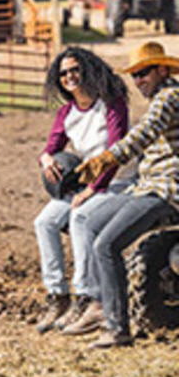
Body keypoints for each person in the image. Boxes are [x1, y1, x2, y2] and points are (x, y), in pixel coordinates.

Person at [76, 41, 179, 348]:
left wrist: (108, 158)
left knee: (107, 243)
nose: (138, 81)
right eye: (134, 75)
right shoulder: (162, 98)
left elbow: (145, 132)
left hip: (167, 188)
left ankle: (118, 328)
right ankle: (101, 306)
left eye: (144, 73)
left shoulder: (170, 96)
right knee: (91, 222)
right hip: (147, 185)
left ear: (162, 69)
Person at [33, 47, 129, 333]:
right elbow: (50, 148)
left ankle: (86, 298)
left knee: (79, 216)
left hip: (119, 180)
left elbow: (117, 153)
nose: (69, 76)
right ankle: (58, 296)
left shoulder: (112, 104)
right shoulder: (66, 112)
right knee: (45, 221)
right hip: (89, 184)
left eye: (74, 69)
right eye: (63, 73)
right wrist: (46, 159)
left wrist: (93, 190)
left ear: (88, 69)